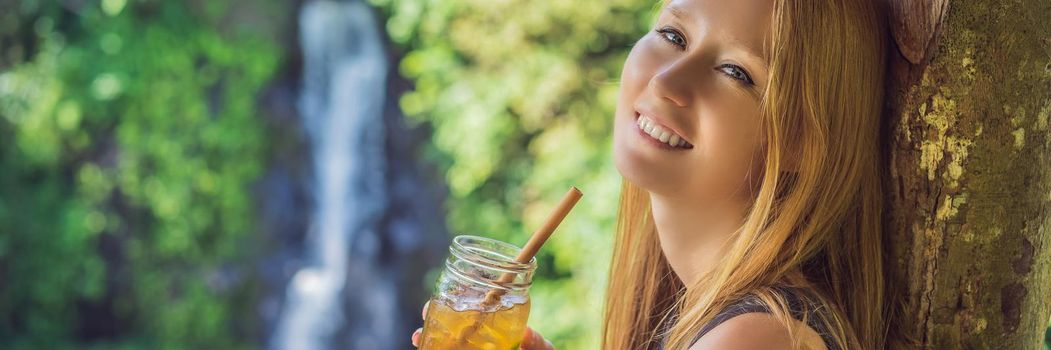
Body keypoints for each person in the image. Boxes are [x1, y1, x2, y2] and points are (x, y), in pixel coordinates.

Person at [414, 0, 903, 348]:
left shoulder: (758, 338)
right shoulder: (728, 319)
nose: (667, 81)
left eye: (736, 72)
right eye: (673, 36)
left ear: (800, 141)